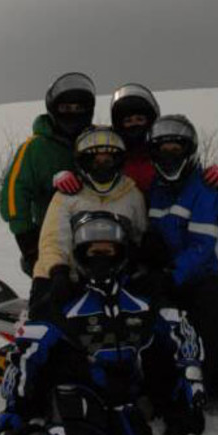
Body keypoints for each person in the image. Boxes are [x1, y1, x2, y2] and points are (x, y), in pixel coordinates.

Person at [0, 212, 206, 435]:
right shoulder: (65, 301)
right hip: (75, 388)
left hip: (121, 395)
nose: (101, 258)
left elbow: (181, 330)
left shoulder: (140, 300)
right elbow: (26, 353)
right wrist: (13, 413)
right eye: (93, 251)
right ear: (80, 254)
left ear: (121, 253)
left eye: (108, 250)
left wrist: (191, 384)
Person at [144, 114, 218, 390]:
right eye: (164, 149)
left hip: (212, 272)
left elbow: (202, 245)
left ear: (188, 150)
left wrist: (172, 275)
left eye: (176, 149)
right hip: (179, 270)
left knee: (202, 329)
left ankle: (200, 386)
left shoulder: (204, 189)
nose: (170, 155)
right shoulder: (157, 190)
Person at [30, 126, 147, 319]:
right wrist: (58, 271)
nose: (102, 166)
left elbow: (139, 234)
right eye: (95, 161)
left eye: (108, 161)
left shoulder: (132, 195)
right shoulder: (68, 194)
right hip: (66, 276)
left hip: (114, 277)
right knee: (44, 321)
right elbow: (52, 239)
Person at [0, 72, 96, 276]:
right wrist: (27, 240)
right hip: (52, 237)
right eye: (66, 108)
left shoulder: (97, 140)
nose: (73, 113)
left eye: (79, 108)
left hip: (101, 234)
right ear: (54, 109)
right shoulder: (35, 148)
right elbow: (13, 193)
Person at [53, 83, 218, 195]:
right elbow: (89, 169)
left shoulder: (162, 153)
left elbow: (187, 175)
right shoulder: (113, 153)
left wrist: (211, 175)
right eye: (128, 121)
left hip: (162, 227)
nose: (134, 125)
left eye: (139, 119)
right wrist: (63, 177)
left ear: (150, 120)